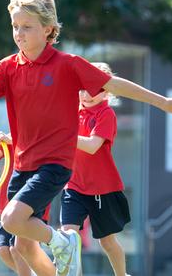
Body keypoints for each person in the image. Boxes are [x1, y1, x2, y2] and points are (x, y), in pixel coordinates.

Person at [0, 0, 172, 276]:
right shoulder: (6, 68)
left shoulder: (68, 65)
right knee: (23, 247)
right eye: (15, 27)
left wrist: (164, 102)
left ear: (48, 30)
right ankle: (61, 255)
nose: (19, 33)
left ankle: (63, 241)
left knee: (10, 219)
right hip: (23, 166)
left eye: (27, 27)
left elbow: (115, 85)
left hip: (54, 164)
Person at [60, 62, 130, 276]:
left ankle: (122, 275)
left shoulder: (106, 114)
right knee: (68, 237)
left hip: (103, 188)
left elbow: (92, 146)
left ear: (107, 91)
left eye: (94, 89)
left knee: (107, 242)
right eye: (82, 88)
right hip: (73, 185)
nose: (86, 94)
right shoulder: (71, 110)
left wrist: (65, 135)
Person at [0, 113, 51, 276]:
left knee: (18, 249)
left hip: (29, 204)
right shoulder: (12, 136)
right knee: (3, 250)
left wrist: (13, 140)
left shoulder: (41, 137)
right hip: (8, 203)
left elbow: (38, 151)